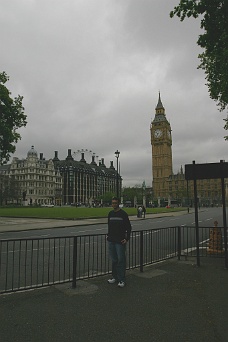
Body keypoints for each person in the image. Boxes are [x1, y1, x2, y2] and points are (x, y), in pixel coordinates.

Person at [107, 197, 132, 288]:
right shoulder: (110, 213)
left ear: (118, 203)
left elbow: (128, 227)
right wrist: (108, 235)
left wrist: (127, 238)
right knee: (114, 260)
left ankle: (121, 279)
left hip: (120, 241)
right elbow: (109, 226)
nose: (114, 204)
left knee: (121, 260)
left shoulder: (123, 214)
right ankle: (115, 277)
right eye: (112, 203)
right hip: (111, 240)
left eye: (115, 203)